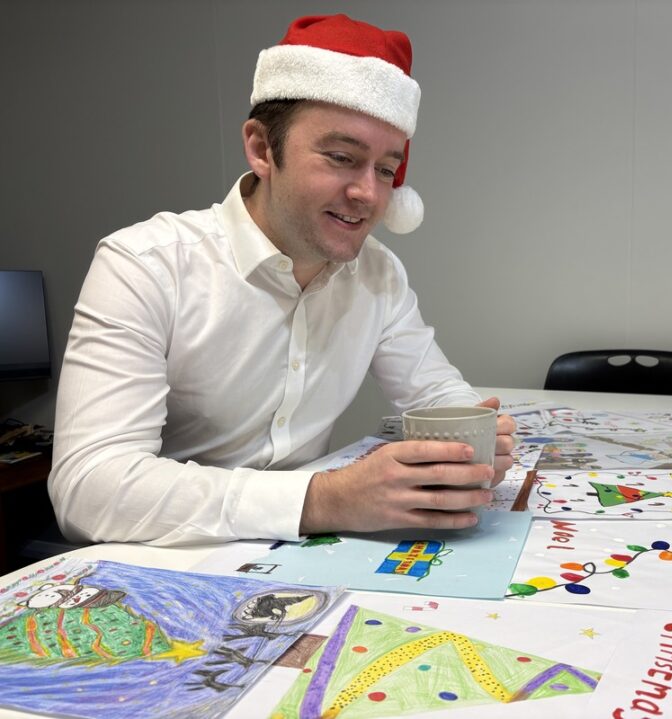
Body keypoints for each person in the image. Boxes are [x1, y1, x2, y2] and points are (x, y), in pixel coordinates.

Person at [49, 14, 516, 546]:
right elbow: (87, 488)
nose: (368, 194)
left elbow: (435, 392)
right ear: (261, 149)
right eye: (341, 158)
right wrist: (325, 499)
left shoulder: (378, 273)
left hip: (298, 557)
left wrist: (474, 440)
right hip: (162, 560)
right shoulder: (145, 265)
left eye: (386, 170)